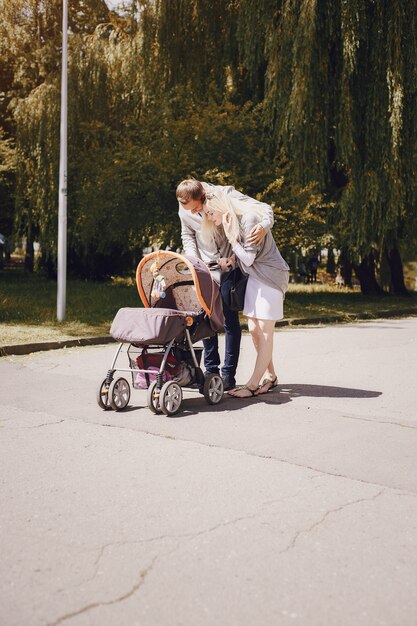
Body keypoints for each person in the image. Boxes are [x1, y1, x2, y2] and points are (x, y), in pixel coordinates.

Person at [176, 178, 274, 391]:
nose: (192, 214)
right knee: (207, 320)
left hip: (233, 265)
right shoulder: (185, 205)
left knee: (230, 321)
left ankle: (228, 374)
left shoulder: (223, 195)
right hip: (206, 269)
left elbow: (262, 208)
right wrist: (195, 262)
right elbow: (187, 235)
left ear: (202, 197)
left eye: (196, 209)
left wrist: (265, 226)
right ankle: (211, 370)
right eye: (187, 210)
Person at [201, 189, 289, 398]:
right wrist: (232, 258)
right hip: (256, 277)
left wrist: (233, 241)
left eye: (211, 214)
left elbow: (249, 258)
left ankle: (251, 385)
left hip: (270, 276)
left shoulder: (248, 219)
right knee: (254, 328)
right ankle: (271, 377)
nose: (210, 219)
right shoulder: (236, 222)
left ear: (220, 207)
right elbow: (245, 256)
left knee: (265, 331)